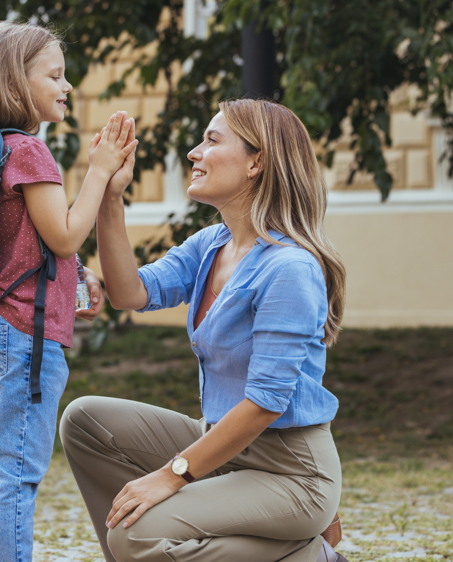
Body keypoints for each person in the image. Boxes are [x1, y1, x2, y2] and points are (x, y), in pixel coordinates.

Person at [59, 98, 350, 562]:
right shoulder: (213, 244)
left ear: (257, 162)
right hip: (222, 445)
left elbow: (264, 403)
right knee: (86, 421)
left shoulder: (289, 268)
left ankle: (306, 555)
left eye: (211, 141)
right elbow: (131, 293)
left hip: (290, 473)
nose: (194, 152)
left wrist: (171, 476)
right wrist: (110, 197)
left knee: (135, 537)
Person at [0, 21, 137, 562]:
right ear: (14, 82)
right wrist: (99, 171)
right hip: (24, 335)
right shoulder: (28, 151)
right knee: (16, 473)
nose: (67, 85)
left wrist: (79, 279)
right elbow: (65, 233)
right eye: (54, 74)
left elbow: (30, 245)